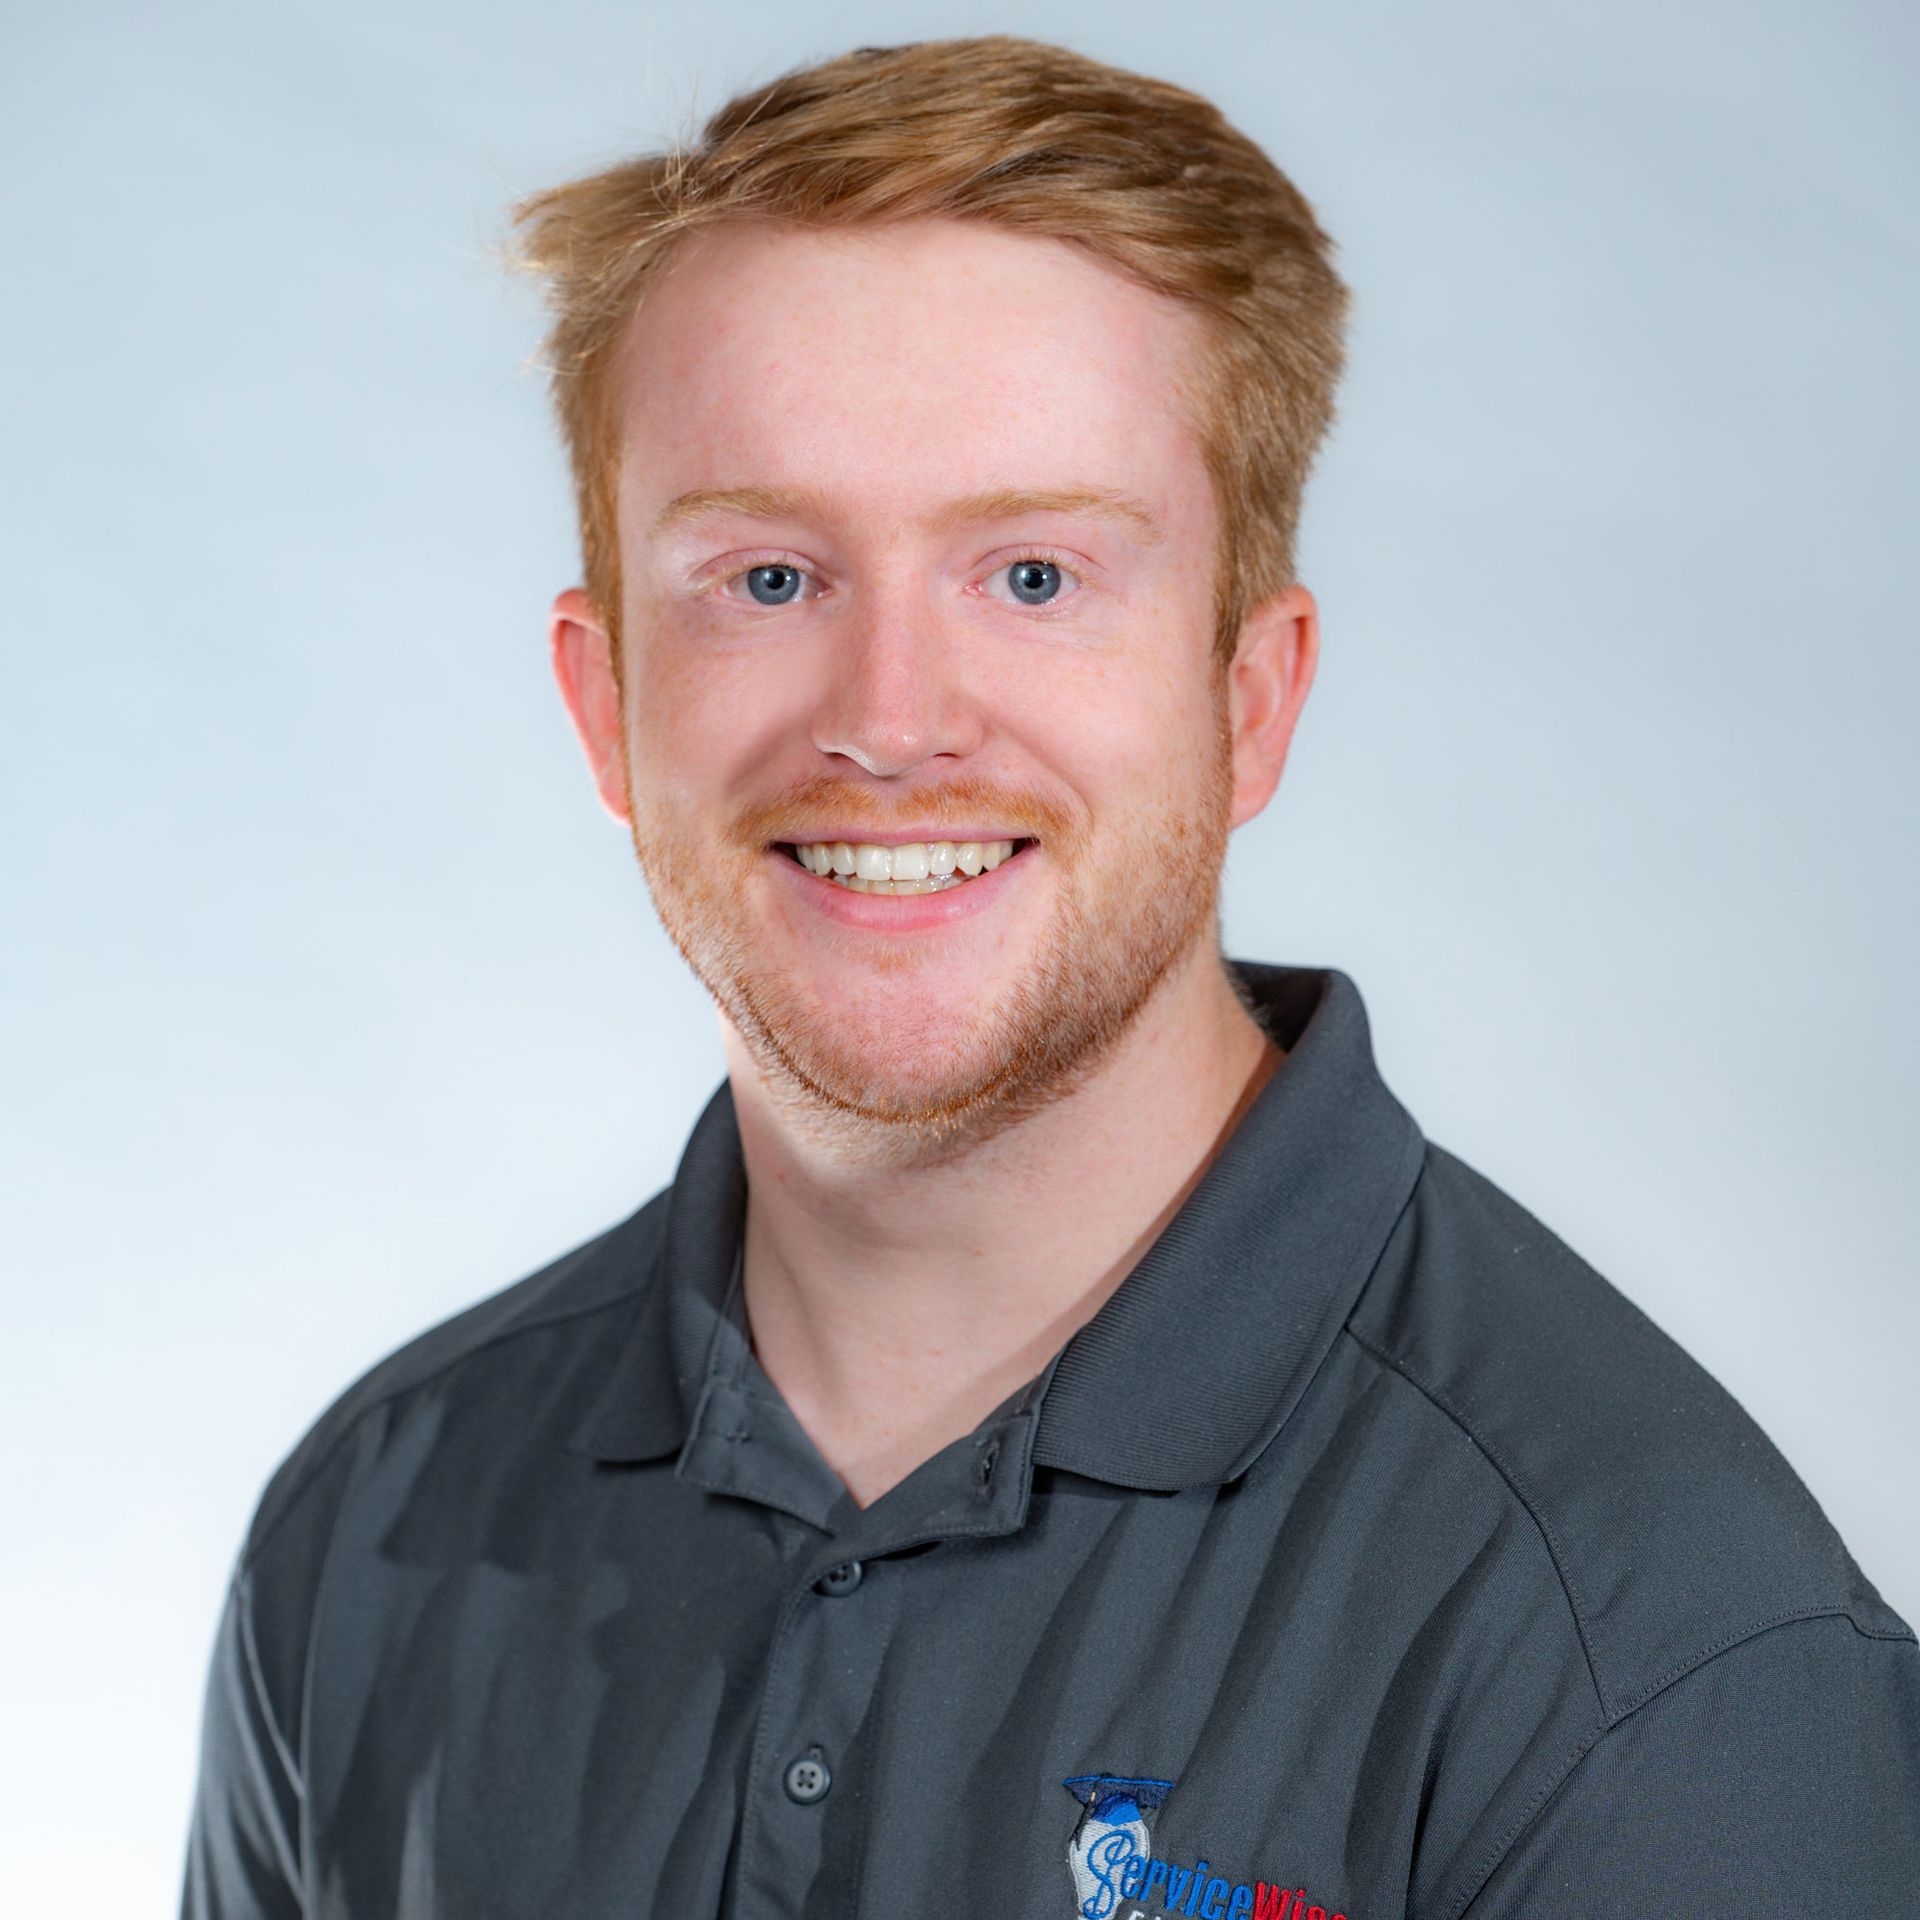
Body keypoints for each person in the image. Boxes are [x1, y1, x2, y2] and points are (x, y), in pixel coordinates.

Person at [181, 35, 1919, 1920]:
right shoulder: (369, 1529)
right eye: (770, 580)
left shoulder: (1654, 1663)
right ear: (605, 706)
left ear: (1249, 702)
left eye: (1032, 578)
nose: (889, 722)